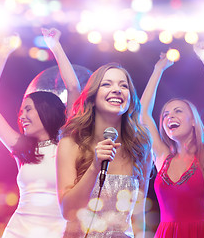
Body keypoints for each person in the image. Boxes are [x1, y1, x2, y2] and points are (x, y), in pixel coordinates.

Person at [0, 28, 80, 238]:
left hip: (58, 232)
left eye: (28, 109)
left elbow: (73, 87)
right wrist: (3, 54)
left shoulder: (67, 142)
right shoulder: (22, 148)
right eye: (20, 111)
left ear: (45, 111)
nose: (22, 116)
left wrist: (55, 46)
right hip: (19, 231)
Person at [140, 42, 204, 238]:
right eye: (165, 115)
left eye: (178, 111)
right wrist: (157, 70)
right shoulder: (162, 157)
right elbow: (143, 113)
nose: (169, 116)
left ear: (194, 121)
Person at [56, 63, 153, 237]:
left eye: (123, 85)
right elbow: (68, 211)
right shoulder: (70, 144)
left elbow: (138, 215)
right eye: (107, 84)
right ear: (92, 98)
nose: (117, 90)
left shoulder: (141, 146)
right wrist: (94, 167)